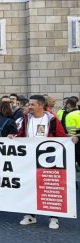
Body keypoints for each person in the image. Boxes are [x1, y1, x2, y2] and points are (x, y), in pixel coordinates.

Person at [13, 95, 78, 229]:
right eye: (29, 104)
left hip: (48, 159)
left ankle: (53, 218)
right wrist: (13, 137)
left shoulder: (52, 119)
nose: (28, 107)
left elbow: (60, 136)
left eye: (32, 104)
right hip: (29, 160)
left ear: (41, 105)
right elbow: (21, 135)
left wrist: (70, 140)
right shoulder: (27, 119)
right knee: (29, 187)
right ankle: (30, 215)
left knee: (50, 189)